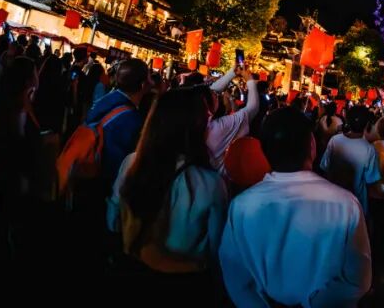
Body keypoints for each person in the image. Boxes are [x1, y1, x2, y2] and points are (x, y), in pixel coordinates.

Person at [219, 107, 371, 307]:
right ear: (312, 145)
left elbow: (235, 277)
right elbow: (358, 279)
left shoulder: (242, 206)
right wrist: (311, 302)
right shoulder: (346, 205)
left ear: (263, 151)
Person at [107, 88, 227, 298]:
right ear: (196, 128)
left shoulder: (131, 163)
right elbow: (217, 252)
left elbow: (112, 221)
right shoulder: (211, 184)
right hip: (184, 286)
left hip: (131, 275)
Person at [0, 56, 41, 256]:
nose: (38, 75)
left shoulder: (11, 100)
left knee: (1, 206)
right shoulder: (19, 108)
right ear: (27, 79)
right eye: (35, 72)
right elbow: (18, 144)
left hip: (1, 165)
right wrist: (24, 175)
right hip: (13, 171)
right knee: (8, 210)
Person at [86, 58, 152, 187]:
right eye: (150, 77)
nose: (152, 82)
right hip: (102, 182)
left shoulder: (109, 99)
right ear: (143, 84)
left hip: (87, 170)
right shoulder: (131, 118)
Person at [321, 104, 382, 219]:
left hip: (333, 200)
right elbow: (371, 181)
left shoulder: (335, 140)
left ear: (347, 121)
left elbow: (325, 168)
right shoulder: (369, 149)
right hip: (357, 204)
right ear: (367, 124)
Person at [202, 66, 261, 173]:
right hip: (217, 179)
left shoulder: (191, 119)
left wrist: (232, 73)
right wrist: (250, 80)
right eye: (217, 96)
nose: (217, 94)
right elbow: (252, 108)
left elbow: (209, 93)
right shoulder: (216, 127)